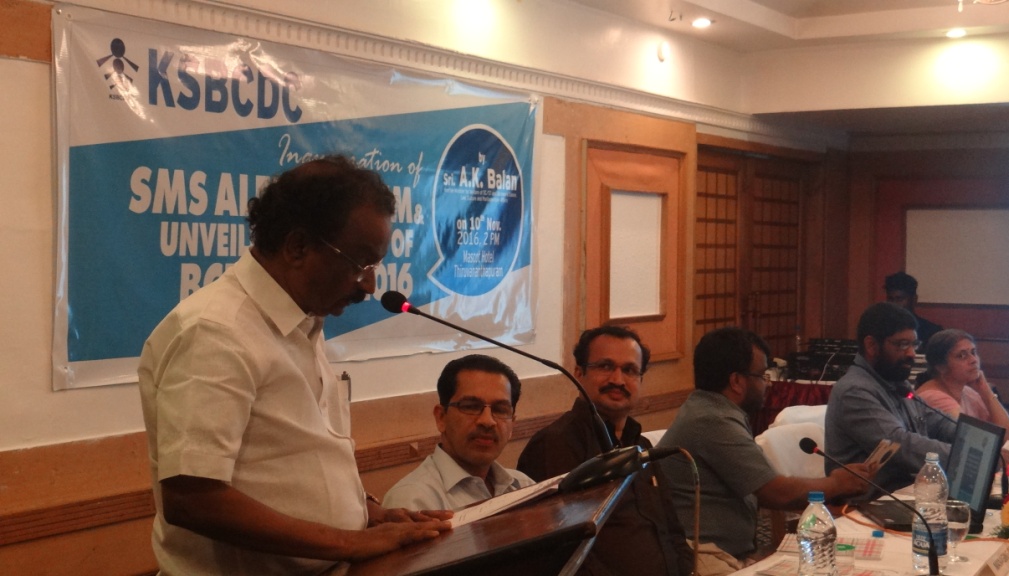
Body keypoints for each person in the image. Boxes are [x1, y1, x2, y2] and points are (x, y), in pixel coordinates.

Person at [137, 156, 450, 575]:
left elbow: (290, 462)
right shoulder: (216, 331)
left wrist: (368, 514)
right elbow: (192, 498)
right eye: (360, 263)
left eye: (375, 266)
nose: (370, 285)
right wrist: (351, 542)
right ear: (298, 247)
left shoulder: (303, 321)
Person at [657, 327, 875, 563]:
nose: (768, 385)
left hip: (729, 552)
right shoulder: (712, 420)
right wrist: (838, 483)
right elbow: (776, 492)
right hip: (704, 558)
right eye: (762, 375)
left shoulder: (710, 409)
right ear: (737, 381)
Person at [516, 325, 694, 576]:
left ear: (641, 380)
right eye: (605, 366)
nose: (617, 380)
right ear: (579, 373)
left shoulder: (642, 446)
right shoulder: (556, 444)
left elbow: (672, 531)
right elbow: (562, 550)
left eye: (629, 370)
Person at [825, 302, 958, 498]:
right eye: (902, 344)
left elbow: (938, 422)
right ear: (871, 345)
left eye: (914, 344)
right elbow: (899, 445)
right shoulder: (854, 390)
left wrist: (974, 441)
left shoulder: (895, 381)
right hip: (868, 504)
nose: (912, 353)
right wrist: (963, 458)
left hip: (905, 494)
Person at [383, 354, 534, 511]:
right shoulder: (413, 502)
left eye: (500, 410)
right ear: (441, 417)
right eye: (471, 407)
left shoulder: (524, 487)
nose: (487, 421)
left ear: (512, 424)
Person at [915, 329, 1009, 443]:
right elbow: (974, 442)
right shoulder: (934, 397)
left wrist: (987, 393)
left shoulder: (969, 392)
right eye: (962, 356)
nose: (973, 360)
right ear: (941, 366)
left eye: (973, 352)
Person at [885, 271, 943, 349]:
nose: (894, 304)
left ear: (914, 299)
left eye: (900, 299)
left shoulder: (931, 332)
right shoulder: (880, 330)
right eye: (890, 299)